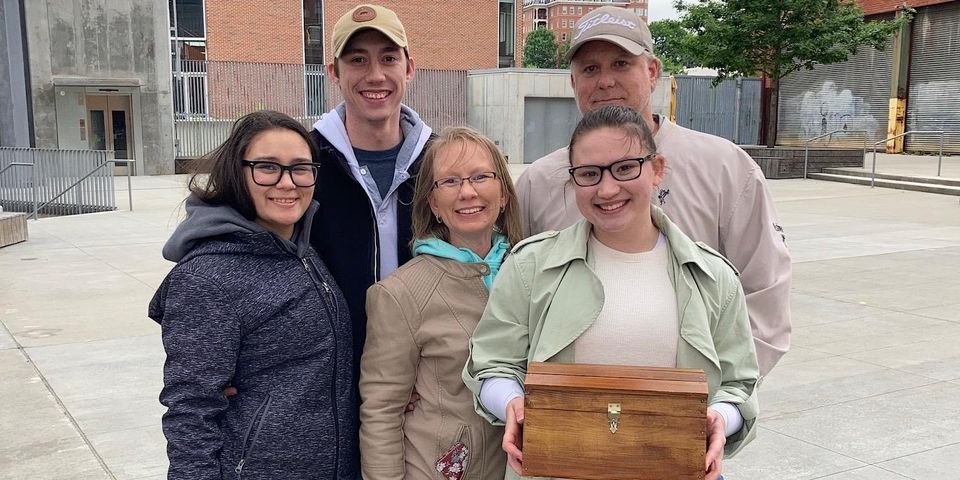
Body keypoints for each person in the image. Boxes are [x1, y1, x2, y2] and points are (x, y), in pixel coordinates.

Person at [465, 105, 760, 480]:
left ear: (657, 170)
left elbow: (740, 384)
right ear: (573, 183)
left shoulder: (713, 277)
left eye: (625, 168)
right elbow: (491, 364)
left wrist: (722, 418)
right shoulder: (530, 267)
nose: (607, 189)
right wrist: (513, 404)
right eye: (589, 174)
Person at [515, 6, 792, 377]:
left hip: (692, 417)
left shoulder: (725, 167)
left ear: (652, 71)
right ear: (573, 82)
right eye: (590, 69)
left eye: (620, 64)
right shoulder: (539, 181)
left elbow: (765, 292)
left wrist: (723, 400)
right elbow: (512, 302)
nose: (605, 81)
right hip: (571, 414)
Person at [149, 111, 357, 479]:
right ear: (237, 172)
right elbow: (190, 410)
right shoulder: (207, 278)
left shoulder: (300, 250)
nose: (287, 183)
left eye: (300, 168)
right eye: (267, 167)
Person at [358, 127, 520, 480]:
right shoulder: (401, 293)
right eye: (449, 181)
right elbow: (382, 412)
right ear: (432, 204)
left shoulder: (533, 272)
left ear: (504, 192)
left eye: (480, 176)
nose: (467, 191)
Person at [309, 4, 433, 384]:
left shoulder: (441, 163)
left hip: (427, 381)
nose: (375, 75)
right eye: (358, 60)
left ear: (409, 68)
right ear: (334, 72)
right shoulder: (305, 162)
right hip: (328, 380)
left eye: (388, 58)